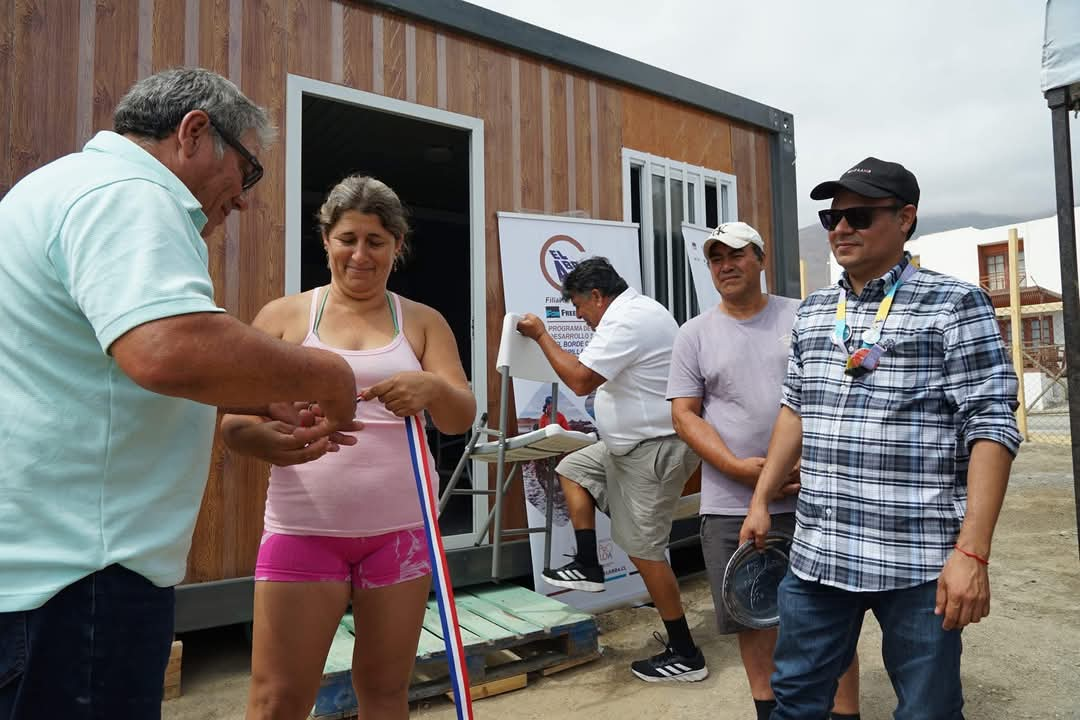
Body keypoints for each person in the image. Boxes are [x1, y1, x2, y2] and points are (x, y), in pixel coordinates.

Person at [0, 68, 360, 720]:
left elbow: (85, 371)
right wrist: (328, 376)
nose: (244, 200)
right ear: (194, 132)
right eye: (247, 172)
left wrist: (242, 394)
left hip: (41, 571)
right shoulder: (132, 193)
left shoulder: (56, 188)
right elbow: (165, 346)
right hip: (81, 579)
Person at [739, 157, 1022, 719]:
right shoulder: (818, 311)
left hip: (917, 559)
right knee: (794, 699)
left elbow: (990, 425)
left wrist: (973, 552)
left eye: (859, 216)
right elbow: (796, 409)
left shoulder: (955, 304)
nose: (840, 228)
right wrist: (760, 499)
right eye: (832, 216)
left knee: (927, 710)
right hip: (820, 552)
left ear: (905, 218)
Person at [221, 175, 476, 720]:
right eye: (348, 238)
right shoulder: (284, 317)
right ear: (326, 241)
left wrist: (431, 389)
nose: (360, 254)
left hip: (403, 532)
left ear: (397, 247)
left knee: (385, 693)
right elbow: (233, 423)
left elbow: (460, 417)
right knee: (276, 701)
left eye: (376, 241)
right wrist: (260, 438)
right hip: (304, 530)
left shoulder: (423, 322)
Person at [667, 222, 861, 720]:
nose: (725, 266)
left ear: (760, 258)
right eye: (715, 259)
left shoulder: (804, 317)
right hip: (731, 503)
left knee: (829, 618)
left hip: (812, 495)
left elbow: (848, 381)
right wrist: (736, 466)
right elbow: (684, 413)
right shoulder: (694, 334)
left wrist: (805, 459)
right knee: (751, 617)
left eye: (735, 254)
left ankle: (844, 714)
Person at [516, 257, 705, 682]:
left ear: (598, 297)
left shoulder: (627, 320)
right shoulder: (632, 312)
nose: (580, 317)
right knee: (574, 467)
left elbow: (582, 380)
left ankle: (686, 653)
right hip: (627, 446)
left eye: (580, 307)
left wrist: (543, 336)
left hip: (654, 449)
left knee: (643, 549)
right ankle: (588, 563)